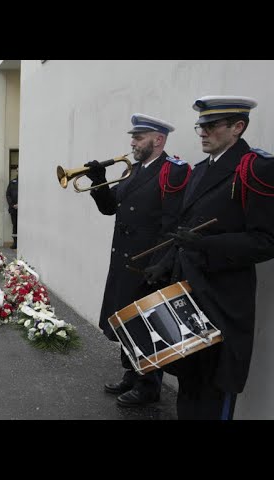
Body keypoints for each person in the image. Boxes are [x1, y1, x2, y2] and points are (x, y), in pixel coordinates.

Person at [144, 96, 274, 420]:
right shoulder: (201, 169)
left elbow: (266, 241)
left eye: (211, 126)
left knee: (214, 394)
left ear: (237, 127)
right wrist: (163, 265)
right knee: (189, 383)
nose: (202, 132)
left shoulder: (254, 168)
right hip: (189, 294)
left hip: (223, 302)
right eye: (201, 125)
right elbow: (184, 231)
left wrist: (207, 244)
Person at [85, 113, 191, 407]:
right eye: (133, 137)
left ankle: (148, 386)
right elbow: (109, 208)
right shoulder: (134, 171)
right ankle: (131, 374)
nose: (132, 142)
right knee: (126, 321)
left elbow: (171, 226)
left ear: (158, 140)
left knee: (147, 326)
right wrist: (99, 182)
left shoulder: (172, 171)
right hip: (123, 259)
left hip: (148, 264)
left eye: (139, 137)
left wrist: (159, 265)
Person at [6, 168, 18, 249]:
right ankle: (15, 243)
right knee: (15, 225)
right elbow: (8, 194)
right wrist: (13, 205)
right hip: (14, 209)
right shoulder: (12, 182)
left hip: (25, 210)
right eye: (17, 171)